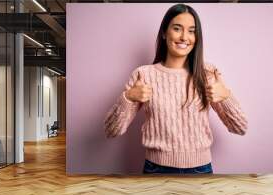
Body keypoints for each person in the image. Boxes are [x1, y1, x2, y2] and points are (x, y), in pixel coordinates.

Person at [104, 3, 247, 174]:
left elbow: (240, 128)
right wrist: (128, 97)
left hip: (200, 170)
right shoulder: (144, 75)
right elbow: (111, 130)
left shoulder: (208, 73)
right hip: (155, 170)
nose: (184, 37)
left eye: (192, 31)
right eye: (177, 29)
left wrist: (226, 96)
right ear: (164, 33)